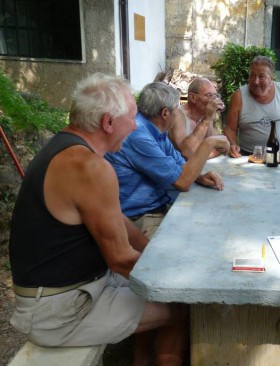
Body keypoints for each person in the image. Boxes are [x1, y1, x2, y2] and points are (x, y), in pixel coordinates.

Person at [9, 73, 188, 365]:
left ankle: (141, 360)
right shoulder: (90, 167)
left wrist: (154, 254)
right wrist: (177, 279)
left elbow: (118, 220)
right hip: (60, 311)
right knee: (182, 307)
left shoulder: (67, 148)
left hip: (64, 292)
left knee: (156, 293)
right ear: (108, 122)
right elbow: (120, 259)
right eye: (132, 117)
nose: (135, 125)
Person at [106, 81, 230, 239]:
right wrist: (209, 143)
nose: (178, 113)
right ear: (165, 113)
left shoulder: (155, 129)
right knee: (200, 237)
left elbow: (179, 162)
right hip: (138, 217)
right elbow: (182, 183)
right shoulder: (139, 134)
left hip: (157, 206)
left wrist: (198, 177)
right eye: (176, 110)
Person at [224, 55, 280, 157]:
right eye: (252, 75)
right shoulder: (238, 96)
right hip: (249, 155)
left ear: (271, 78)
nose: (255, 81)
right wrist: (232, 144)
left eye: (261, 76)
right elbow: (230, 128)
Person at [168, 77, 226, 159]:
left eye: (215, 96)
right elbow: (187, 153)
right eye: (208, 95)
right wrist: (206, 120)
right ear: (192, 97)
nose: (214, 100)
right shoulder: (177, 114)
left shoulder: (203, 115)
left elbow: (214, 146)